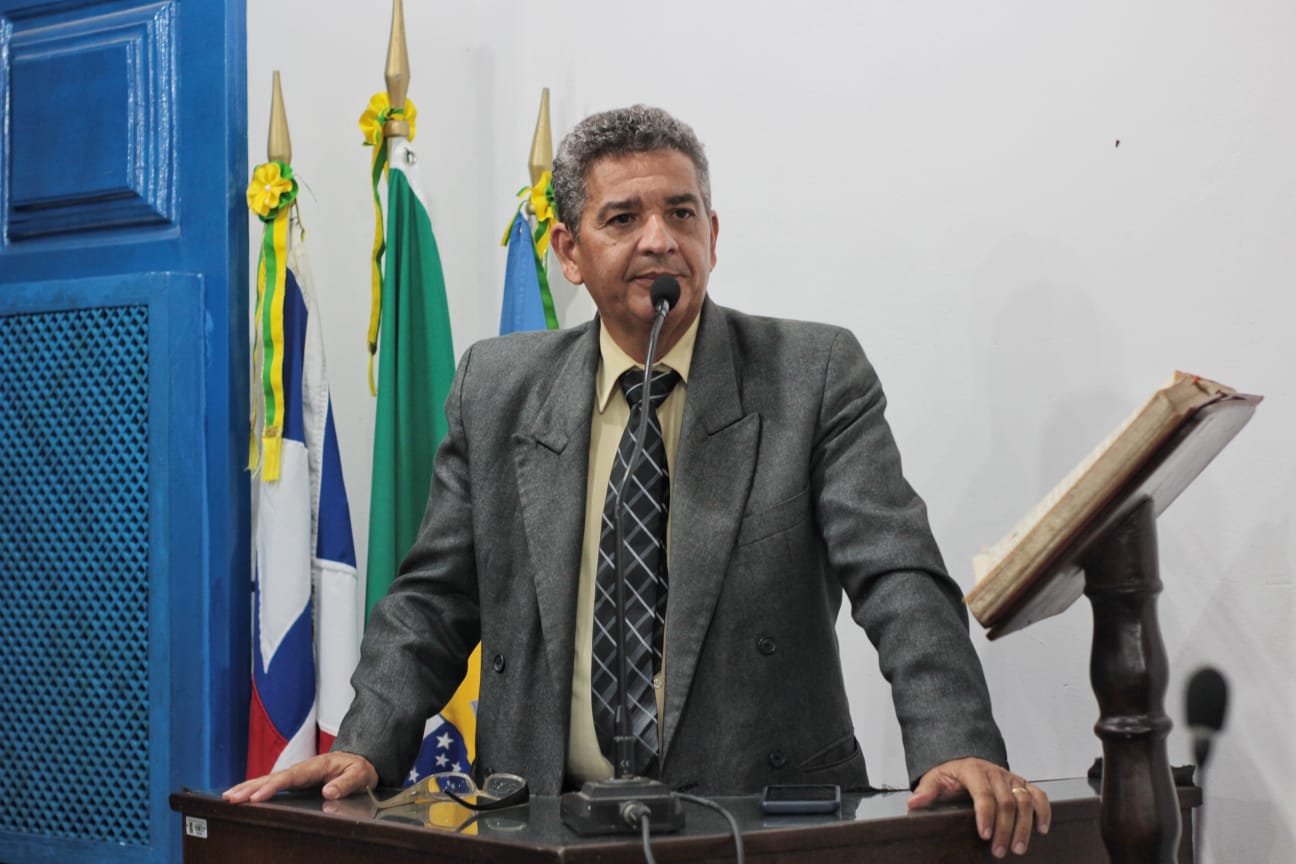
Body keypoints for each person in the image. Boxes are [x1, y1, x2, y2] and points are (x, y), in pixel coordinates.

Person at [226, 105, 1050, 858]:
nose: (660, 240)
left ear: (713, 235)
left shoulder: (812, 375)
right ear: (568, 251)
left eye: (681, 214)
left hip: (759, 824)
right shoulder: (496, 388)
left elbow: (897, 575)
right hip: (543, 825)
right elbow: (435, 600)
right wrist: (366, 744)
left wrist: (954, 745)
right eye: (623, 218)